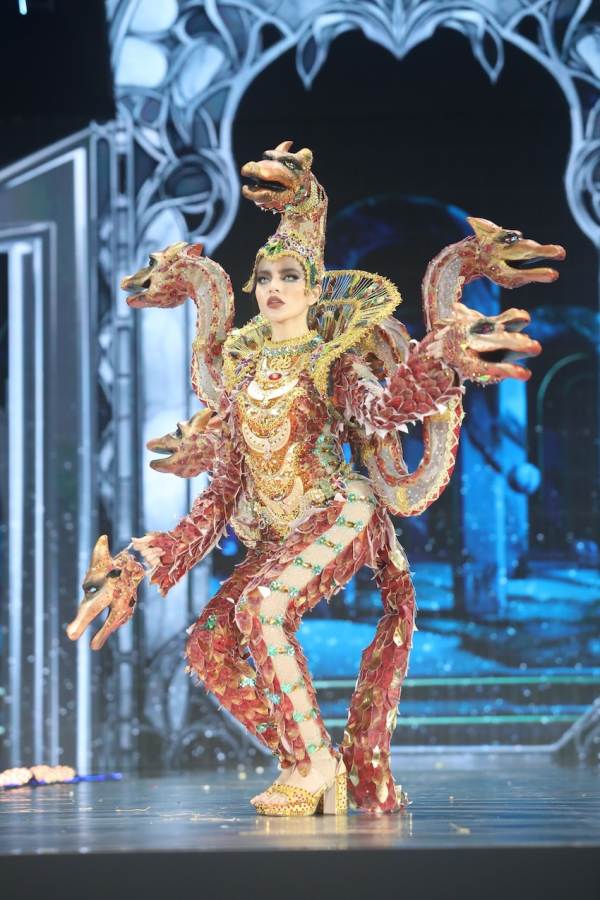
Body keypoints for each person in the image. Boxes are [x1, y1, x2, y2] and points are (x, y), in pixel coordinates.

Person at [68, 140, 558, 816]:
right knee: (208, 646)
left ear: (310, 289)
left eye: (289, 276)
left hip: (340, 510)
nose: (274, 286)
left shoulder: (334, 361)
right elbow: (220, 497)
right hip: (280, 534)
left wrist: (443, 356)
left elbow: (383, 411)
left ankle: (311, 763)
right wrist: (142, 560)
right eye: (264, 276)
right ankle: (316, 762)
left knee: (261, 607)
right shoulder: (240, 379)